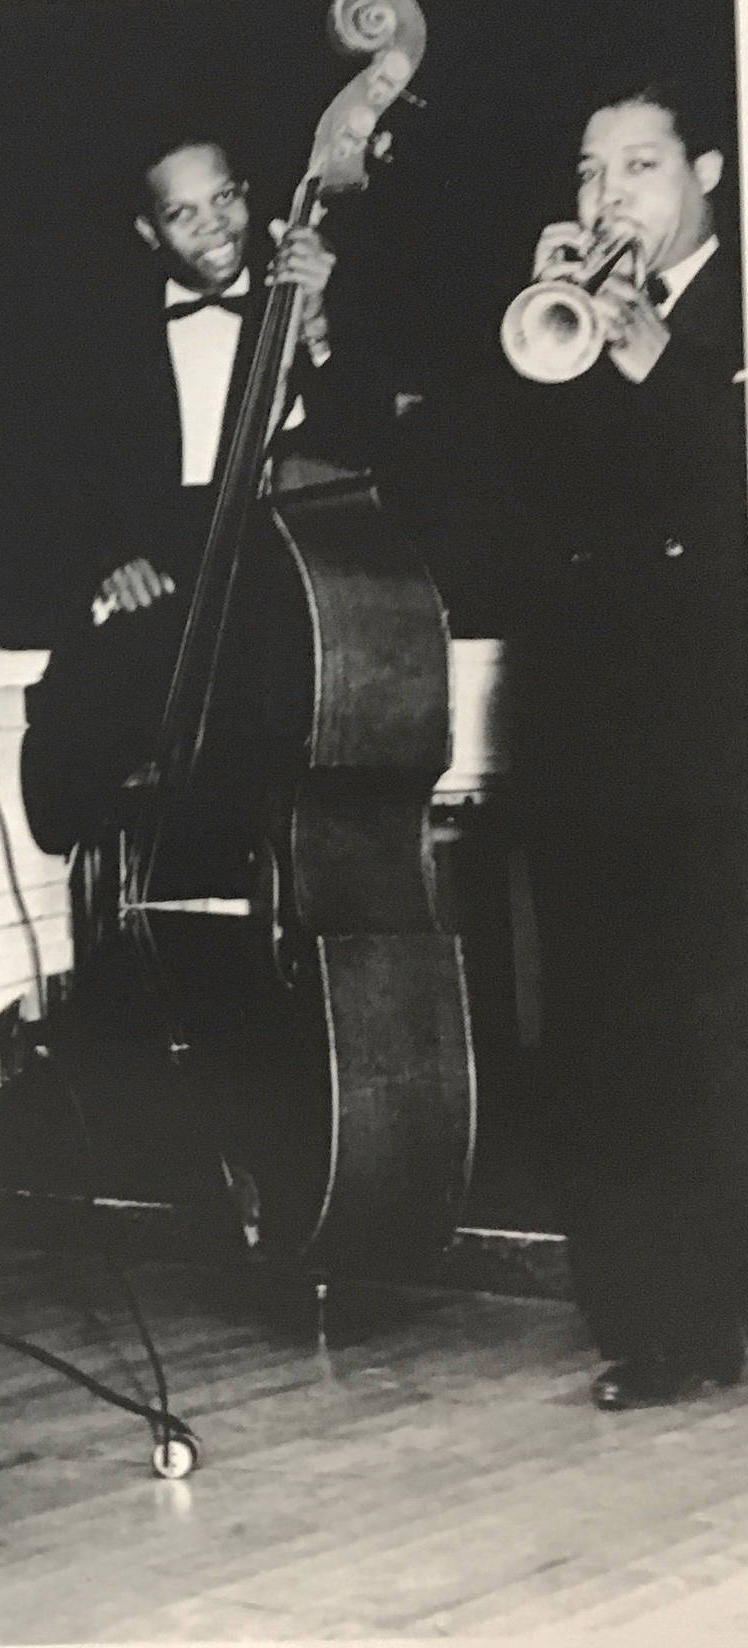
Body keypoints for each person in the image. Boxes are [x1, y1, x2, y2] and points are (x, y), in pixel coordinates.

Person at [477, 75, 748, 1410]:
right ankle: (648, 1322)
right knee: (597, 1022)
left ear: (706, 169)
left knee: (709, 1017)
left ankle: (727, 1311)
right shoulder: (561, 320)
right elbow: (491, 498)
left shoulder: (729, 317)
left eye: (638, 168)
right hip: (583, 710)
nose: (608, 198)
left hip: (711, 709)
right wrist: (538, 348)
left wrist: (655, 359)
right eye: (591, 173)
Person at [20, 132, 379, 853]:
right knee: (65, 778)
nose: (214, 226)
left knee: (274, 784)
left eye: (224, 197)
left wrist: (317, 330)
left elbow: (367, 451)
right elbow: (57, 481)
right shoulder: (99, 338)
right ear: (149, 232)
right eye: (183, 214)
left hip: (277, 577)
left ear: (248, 196)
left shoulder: (307, 311)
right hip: (155, 582)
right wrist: (109, 560)